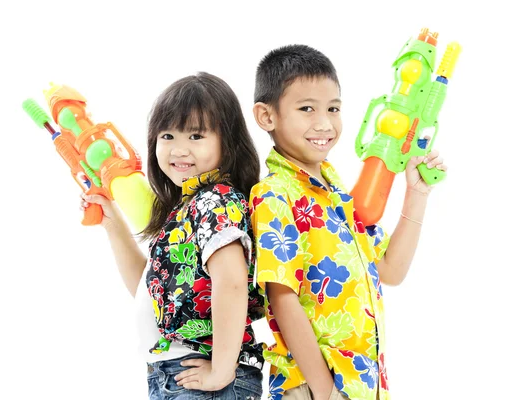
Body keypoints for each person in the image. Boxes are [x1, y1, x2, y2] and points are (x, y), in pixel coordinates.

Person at [249, 45, 447, 400]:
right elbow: (281, 299)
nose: (324, 124)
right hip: (316, 389)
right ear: (267, 117)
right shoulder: (275, 194)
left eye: (333, 109)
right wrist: (326, 392)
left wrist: (417, 194)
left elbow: (390, 270)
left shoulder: (339, 194)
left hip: (363, 386)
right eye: (306, 108)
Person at [81, 72, 264, 400]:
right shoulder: (185, 210)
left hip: (204, 373)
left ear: (229, 142)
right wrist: (113, 225)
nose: (179, 149)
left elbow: (232, 282)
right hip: (174, 372)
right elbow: (149, 289)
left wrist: (222, 369)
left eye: (196, 135)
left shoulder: (216, 201)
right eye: (167, 136)